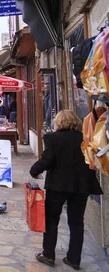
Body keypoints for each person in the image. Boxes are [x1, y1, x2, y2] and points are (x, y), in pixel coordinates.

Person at [30, 110, 103, 270]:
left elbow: (47, 159)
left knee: (51, 220)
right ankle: (74, 258)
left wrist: (34, 170)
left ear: (59, 122)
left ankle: (48, 254)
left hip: (58, 186)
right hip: (81, 186)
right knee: (77, 222)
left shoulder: (53, 138)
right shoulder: (84, 138)